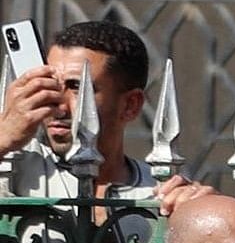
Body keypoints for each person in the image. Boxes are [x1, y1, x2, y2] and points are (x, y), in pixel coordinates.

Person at [0, 16, 152, 196]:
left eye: (77, 87)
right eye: (51, 84)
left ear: (130, 105)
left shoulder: (158, 193)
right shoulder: (14, 167)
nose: (58, 107)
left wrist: (190, 205)